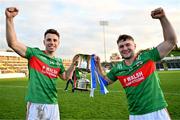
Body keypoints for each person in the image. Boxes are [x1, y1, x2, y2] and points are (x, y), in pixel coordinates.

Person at [94, 8, 177, 120]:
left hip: (157, 112)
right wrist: (97, 64)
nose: (125, 48)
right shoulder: (117, 68)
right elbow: (103, 82)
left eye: (128, 44)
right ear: (119, 49)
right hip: (135, 115)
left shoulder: (148, 57)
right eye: (121, 46)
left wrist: (163, 18)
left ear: (135, 46)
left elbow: (171, 41)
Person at [5, 7, 79, 120]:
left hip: (53, 104)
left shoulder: (58, 62)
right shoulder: (34, 54)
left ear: (58, 43)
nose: (52, 42)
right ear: (44, 41)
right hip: (35, 104)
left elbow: (65, 77)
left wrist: (73, 64)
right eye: (49, 40)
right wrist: (9, 19)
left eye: (55, 40)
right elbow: (13, 43)